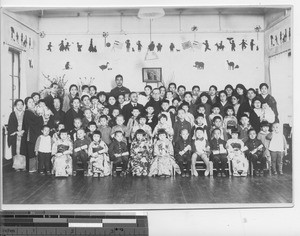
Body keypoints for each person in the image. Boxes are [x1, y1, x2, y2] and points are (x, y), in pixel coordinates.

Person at [23, 97, 43, 172]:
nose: (32, 103)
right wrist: (40, 116)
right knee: (31, 150)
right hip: (31, 134)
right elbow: (34, 122)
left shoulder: (33, 112)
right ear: (26, 104)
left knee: (35, 150)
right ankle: (32, 168)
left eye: (32, 102)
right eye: (29, 102)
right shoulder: (27, 112)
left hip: (35, 133)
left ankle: (36, 167)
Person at [7, 99, 26, 171]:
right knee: (16, 150)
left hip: (24, 134)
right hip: (15, 135)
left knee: (23, 150)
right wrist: (16, 132)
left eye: (21, 104)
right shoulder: (12, 114)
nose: (20, 106)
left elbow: (27, 124)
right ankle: (16, 166)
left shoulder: (25, 113)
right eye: (18, 104)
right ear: (15, 106)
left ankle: (23, 166)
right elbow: (10, 125)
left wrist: (23, 131)